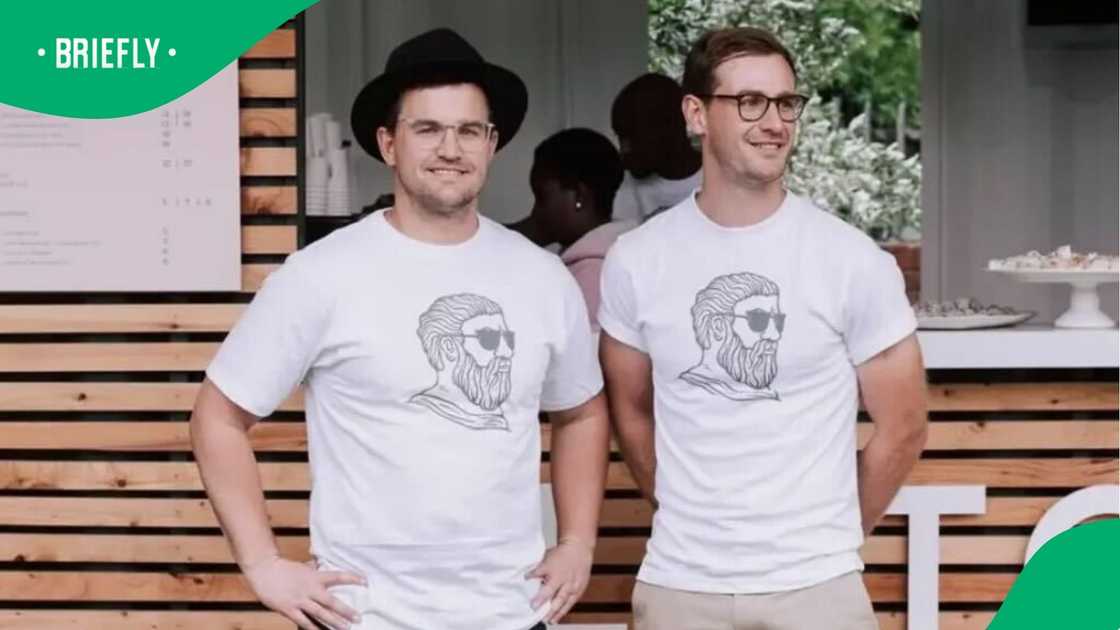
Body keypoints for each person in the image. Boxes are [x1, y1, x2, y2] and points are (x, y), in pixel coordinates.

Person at [190, 28, 609, 630]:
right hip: (367, 618)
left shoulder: (541, 277)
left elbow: (583, 412)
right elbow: (217, 416)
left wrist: (577, 544)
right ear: (389, 143)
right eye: (428, 129)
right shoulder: (322, 274)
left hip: (511, 615)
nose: (451, 148)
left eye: (469, 130)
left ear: (491, 144)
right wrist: (262, 564)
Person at [598, 26, 928, 630]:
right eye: (749, 102)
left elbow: (903, 428)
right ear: (696, 114)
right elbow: (632, 411)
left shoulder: (851, 260)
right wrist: (685, 517)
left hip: (817, 589)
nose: (774, 121)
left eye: (786, 103)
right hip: (680, 584)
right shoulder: (636, 261)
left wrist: (828, 542)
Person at [525, 128, 633, 329]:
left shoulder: (592, 277)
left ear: (579, 197)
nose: (535, 211)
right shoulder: (614, 259)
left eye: (542, 197)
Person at [610, 73, 703, 222]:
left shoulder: (724, 180)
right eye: (621, 138)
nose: (623, 151)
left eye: (632, 138)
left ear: (670, 128)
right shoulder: (627, 190)